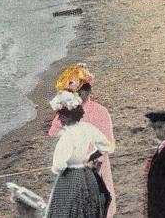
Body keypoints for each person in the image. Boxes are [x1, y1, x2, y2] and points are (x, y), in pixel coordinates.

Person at [49, 66, 117, 218]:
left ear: (88, 92)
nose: (79, 96)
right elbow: (53, 132)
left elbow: (107, 143)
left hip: (95, 167)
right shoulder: (70, 110)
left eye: (81, 93)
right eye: (75, 94)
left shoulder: (100, 111)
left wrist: (94, 160)